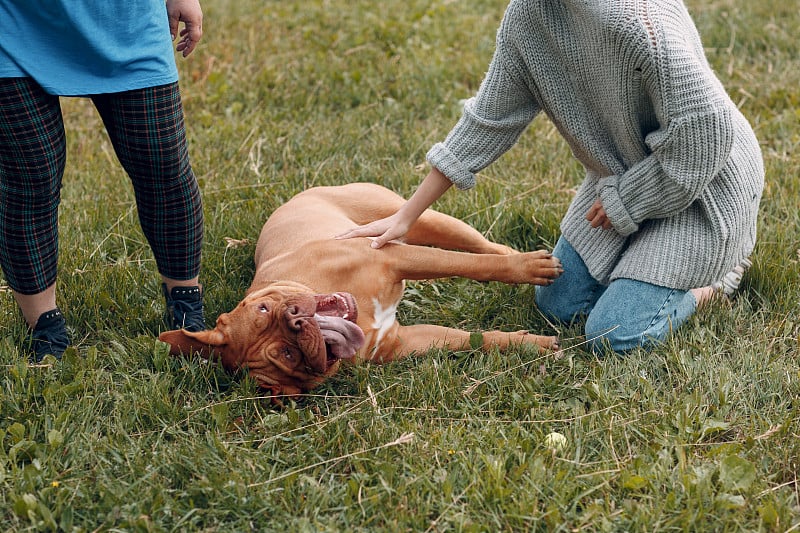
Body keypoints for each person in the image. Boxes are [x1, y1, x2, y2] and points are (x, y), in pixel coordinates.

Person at [337, 0, 764, 353]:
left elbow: (708, 134)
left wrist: (628, 202)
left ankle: (718, 281)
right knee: (556, 304)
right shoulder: (527, 16)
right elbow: (488, 120)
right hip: (620, 178)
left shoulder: (640, 23)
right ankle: (641, 267)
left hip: (703, 188)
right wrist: (406, 216)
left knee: (614, 336)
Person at [0, 0, 207, 362]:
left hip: (127, 21)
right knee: (29, 179)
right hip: (14, 24)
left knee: (163, 167)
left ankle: (187, 306)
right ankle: (44, 326)